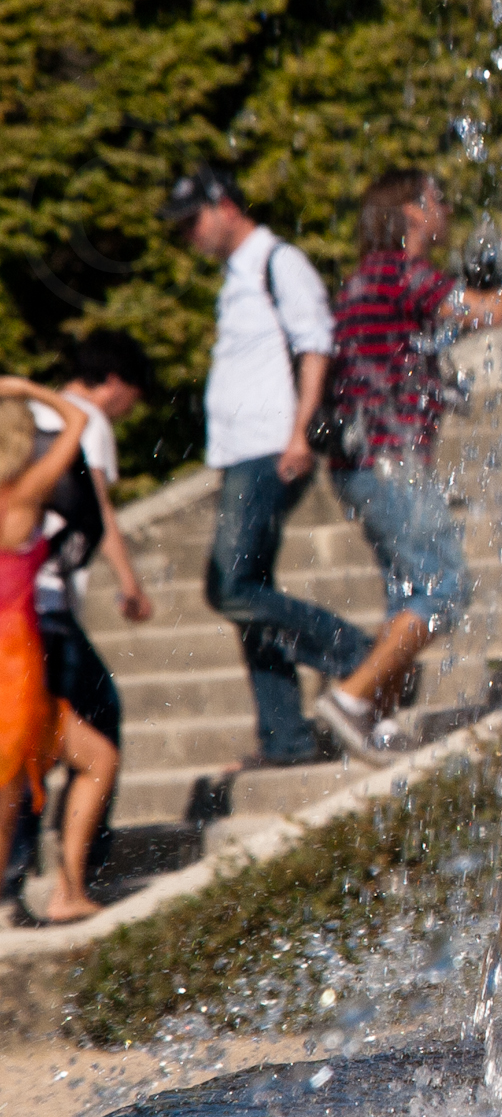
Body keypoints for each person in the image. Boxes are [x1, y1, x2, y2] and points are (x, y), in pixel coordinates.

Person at [312, 171, 502, 763]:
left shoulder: (367, 278)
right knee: (444, 588)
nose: (446, 211)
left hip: (360, 463)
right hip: (386, 461)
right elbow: (490, 312)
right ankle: (350, 698)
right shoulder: (402, 272)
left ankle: (376, 716)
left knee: (408, 593)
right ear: (413, 214)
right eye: (438, 201)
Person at [165, 168, 370, 768]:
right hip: (242, 452)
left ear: (223, 205)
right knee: (245, 590)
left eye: (191, 222)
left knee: (230, 588)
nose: (188, 237)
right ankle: (286, 739)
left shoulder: (279, 262)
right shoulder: (238, 275)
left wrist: (301, 432)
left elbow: (315, 345)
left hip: (272, 448)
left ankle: (354, 653)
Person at [8, 332, 154, 919]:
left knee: (37, 752)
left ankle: (36, 881)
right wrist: (127, 579)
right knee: (88, 736)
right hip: (39, 622)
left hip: (32, 623)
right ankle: (71, 874)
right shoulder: (74, 431)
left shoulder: (18, 446)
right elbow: (98, 504)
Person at [0, 377, 106, 923]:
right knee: (21, 779)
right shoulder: (23, 495)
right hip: (13, 658)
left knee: (20, 778)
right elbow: (78, 421)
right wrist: (23, 387)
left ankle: (48, 891)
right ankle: (40, 894)